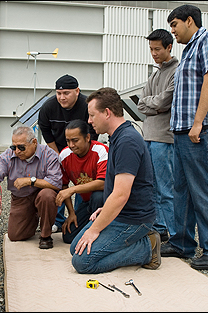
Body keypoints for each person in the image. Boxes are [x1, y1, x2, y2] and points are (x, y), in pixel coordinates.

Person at [161, 4, 208, 270]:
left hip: (201, 129)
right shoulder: (188, 50)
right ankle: (182, 243)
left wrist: (198, 123)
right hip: (182, 131)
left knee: (205, 190)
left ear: (190, 21)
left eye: (175, 25)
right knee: (182, 190)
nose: (172, 32)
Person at [70, 87, 160, 274]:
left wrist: (95, 230)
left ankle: (146, 247)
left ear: (107, 113)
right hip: (121, 212)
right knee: (75, 247)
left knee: (82, 262)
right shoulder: (117, 137)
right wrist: (107, 209)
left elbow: (120, 195)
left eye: (92, 115)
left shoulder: (127, 141)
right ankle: (130, 243)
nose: (89, 121)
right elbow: (119, 191)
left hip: (134, 219)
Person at [0, 125, 62, 249]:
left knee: (47, 196)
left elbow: (55, 183)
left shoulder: (49, 154)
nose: (17, 151)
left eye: (21, 147)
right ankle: (32, 218)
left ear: (34, 142)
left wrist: (30, 181)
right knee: (15, 235)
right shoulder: (8, 155)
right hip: (21, 198)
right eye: (14, 147)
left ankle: (45, 235)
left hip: (42, 195)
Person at [38, 74, 98, 232]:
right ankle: (57, 221)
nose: (62, 97)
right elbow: (45, 130)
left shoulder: (87, 106)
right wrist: (58, 154)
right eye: (59, 93)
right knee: (57, 183)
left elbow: (93, 132)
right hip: (57, 149)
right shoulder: (48, 107)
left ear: (77, 91)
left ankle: (79, 216)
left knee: (81, 182)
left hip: (83, 150)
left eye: (66, 93)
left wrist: (79, 153)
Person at [137, 28, 178, 242]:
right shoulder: (155, 73)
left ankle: (172, 231)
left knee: (165, 187)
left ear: (169, 47)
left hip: (164, 137)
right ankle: (158, 227)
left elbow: (164, 101)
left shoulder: (176, 70)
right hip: (149, 136)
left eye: (157, 49)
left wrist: (156, 105)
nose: (153, 53)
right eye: (151, 49)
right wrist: (157, 106)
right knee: (150, 186)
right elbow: (141, 104)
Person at [55, 119, 109, 244]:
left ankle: (101, 236)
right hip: (87, 203)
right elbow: (64, 187)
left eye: (75, 140)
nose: (71, 145)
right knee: (68, 236)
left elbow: (103, 183)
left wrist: (73, 189)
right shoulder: (64, 155)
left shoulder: (101, 151)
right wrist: (71, 213)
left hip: (106, 202)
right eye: (68, 141)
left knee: (98, 196)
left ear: (87, 137)